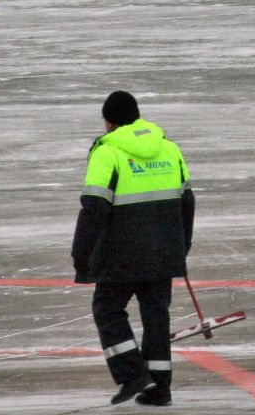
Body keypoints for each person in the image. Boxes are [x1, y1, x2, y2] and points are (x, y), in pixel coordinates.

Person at [72, 90, 192, 407]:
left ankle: (132, 374)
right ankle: (160, 387)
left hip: (120, 255)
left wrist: (80, 253)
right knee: (156, 315)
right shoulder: (169, 148)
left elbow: (94, 208)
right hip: (165, 250)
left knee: (107, 310)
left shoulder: (107, 152)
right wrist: (182, 248)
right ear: (136, 117)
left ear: (109, 122)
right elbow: (187, 203)